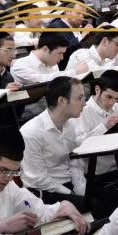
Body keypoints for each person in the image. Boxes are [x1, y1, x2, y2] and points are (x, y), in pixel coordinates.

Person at [19, 76, 87, 205]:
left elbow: (74, 161)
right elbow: (38, 179)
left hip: (67, 185)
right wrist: (71, 194)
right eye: (79, 98)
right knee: (96, 205)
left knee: (110, 197)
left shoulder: (70, 124)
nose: (84, 103)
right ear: (62, 100)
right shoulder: (31, 132)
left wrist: (81, 189)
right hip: (44, 193)